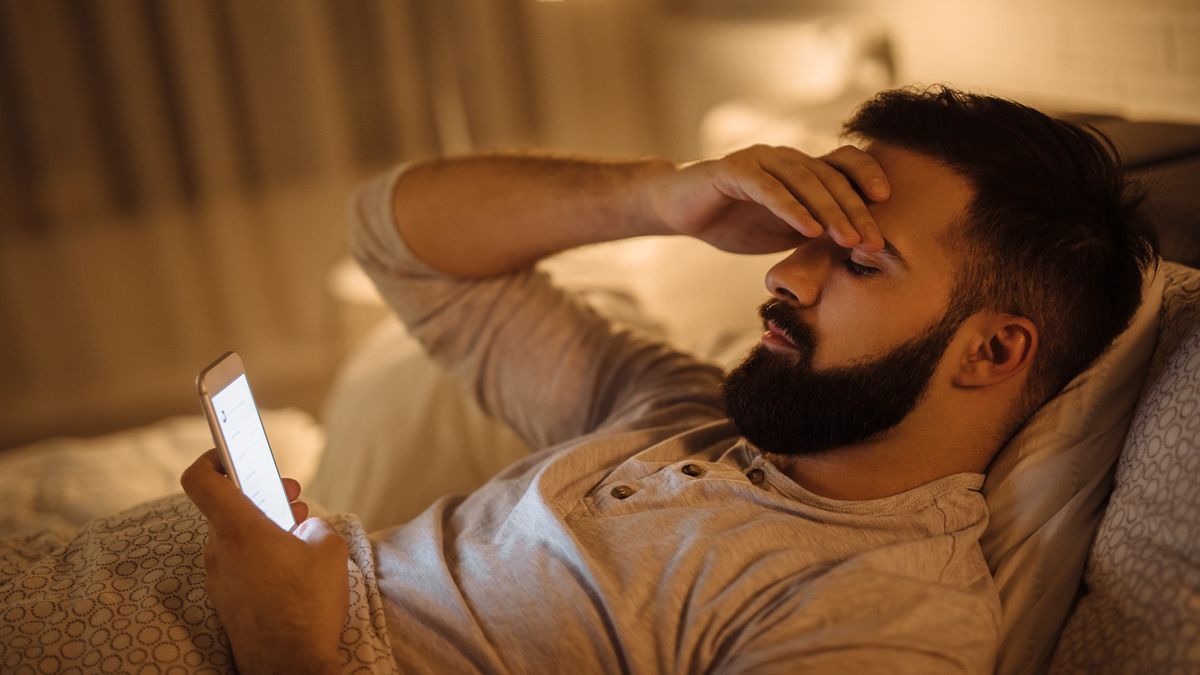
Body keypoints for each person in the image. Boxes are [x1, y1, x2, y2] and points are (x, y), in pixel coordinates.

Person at [181, 86, 1158, 673]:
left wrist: (290, 652)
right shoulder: (674, 410)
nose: (783, 272)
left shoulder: (882, 618)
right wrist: (660, 195)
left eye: (858, 263)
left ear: (992, 352)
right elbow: (396, 239)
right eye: (805, 237)